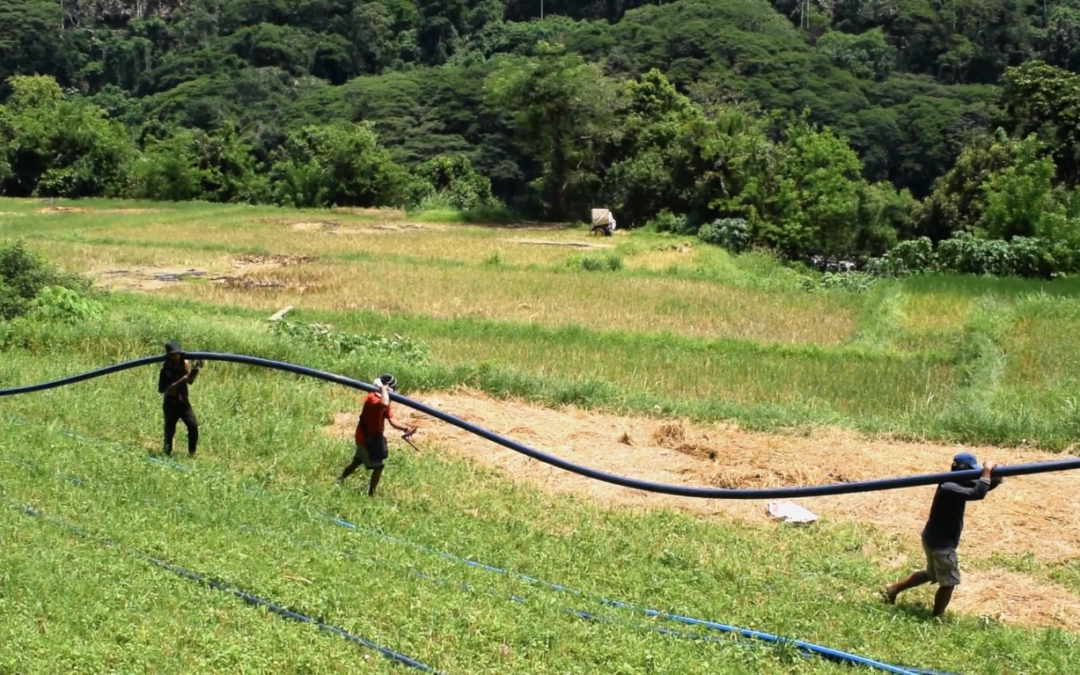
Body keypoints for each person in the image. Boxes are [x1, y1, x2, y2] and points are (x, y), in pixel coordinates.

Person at [881, 452, 1001, 617]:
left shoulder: (956, 482)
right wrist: (986, 471)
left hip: (933, 537)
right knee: (949, 583)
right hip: (941, 542)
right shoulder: (949, 486)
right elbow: (977, 493)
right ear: (960, 469)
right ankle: (937, 617)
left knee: (932, 574)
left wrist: (996, 477)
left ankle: (893, 589)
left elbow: (980, 486)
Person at [336, 374, 415, 497]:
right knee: (379, 467)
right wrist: (383, 389)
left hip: (372, 438)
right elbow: (383, 404)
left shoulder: (385, 398)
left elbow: (391, 419)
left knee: (356, 462)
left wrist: (404, 428)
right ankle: (371, 494)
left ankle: (339, 480)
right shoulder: (372, 398)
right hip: (365, 438)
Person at [157, 341, 202, 456]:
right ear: (169, 356)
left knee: (193, 426)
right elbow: (166, 389)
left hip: (184, 402)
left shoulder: (184, 364)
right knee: (170, 430)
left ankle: (192, 453)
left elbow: (190, 381)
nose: (176, 356)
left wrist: (195, 371)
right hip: (171, 404)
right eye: (173, 354)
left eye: (177, 354)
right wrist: (183, 379)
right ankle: (167, 453)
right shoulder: (165, 370)